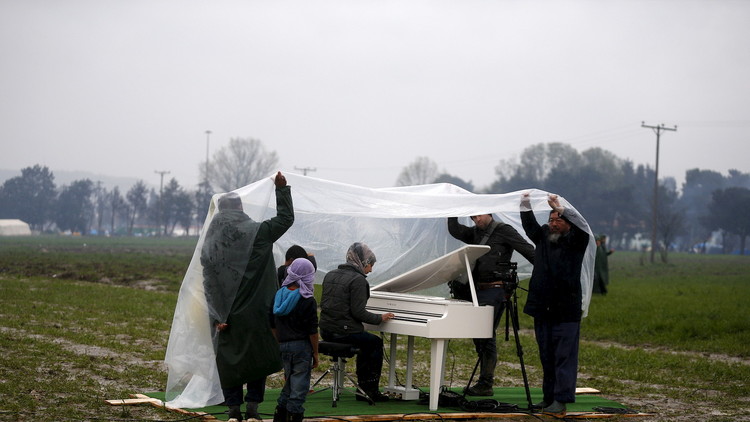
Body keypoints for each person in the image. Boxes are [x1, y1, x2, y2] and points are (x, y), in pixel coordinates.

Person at [200, 171, 294, 422]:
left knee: (229, 360)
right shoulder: (259, 233)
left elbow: (208, 281)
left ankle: (233, 411)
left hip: (226, 313)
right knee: (256, 359)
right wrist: (281, 190)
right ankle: (253, 409)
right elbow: (286, 218)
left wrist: (216, 314)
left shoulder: (212, 241)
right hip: (259, 312)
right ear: (241, 207)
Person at [447, 214, 535, 396]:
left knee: (485, 332)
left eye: (478, 216)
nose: (476, 220)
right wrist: (453, 211)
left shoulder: (504, 230)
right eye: (472, 218)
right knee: (479, 334)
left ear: (489, 213)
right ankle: (484, 380)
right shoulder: (475, 232)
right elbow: (455, 231)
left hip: (496, 289)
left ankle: (486, 383)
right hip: (477, 290)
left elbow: (529, 251)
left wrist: (546, 270)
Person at [520, 193, 590, 416]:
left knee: (564, 357)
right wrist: (524, 205)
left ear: (568, 224)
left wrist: (559, 207)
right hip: (542, 308)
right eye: (551, 220)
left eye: (558, 220)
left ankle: (561, 400)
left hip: (566, 311)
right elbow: (530, 225)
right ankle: (548, 397)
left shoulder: (577, 241)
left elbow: (582, 227)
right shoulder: (543, 237)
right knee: (547, 356)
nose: (553, 224)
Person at [318, 242, 395, 402]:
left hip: (325, 330)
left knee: (365, 340)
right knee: (374, 343)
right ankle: (369, 389)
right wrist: (379, 318)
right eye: (370, 265)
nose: (371, 270)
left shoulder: (330, 274)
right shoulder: (358, 280)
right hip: (342, 333)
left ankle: (364, 387)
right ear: (363, 263)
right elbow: (358, 312)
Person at [269, 258, 319, 422]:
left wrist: (280, 342)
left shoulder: (279, 295)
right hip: (301, 347)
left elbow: (272, 324)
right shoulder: (307, 299)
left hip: (283, 345)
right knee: (299, 386)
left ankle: (280, 413)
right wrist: (316, 353)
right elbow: (312, 331)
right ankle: (294, 415)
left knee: (290, 382)